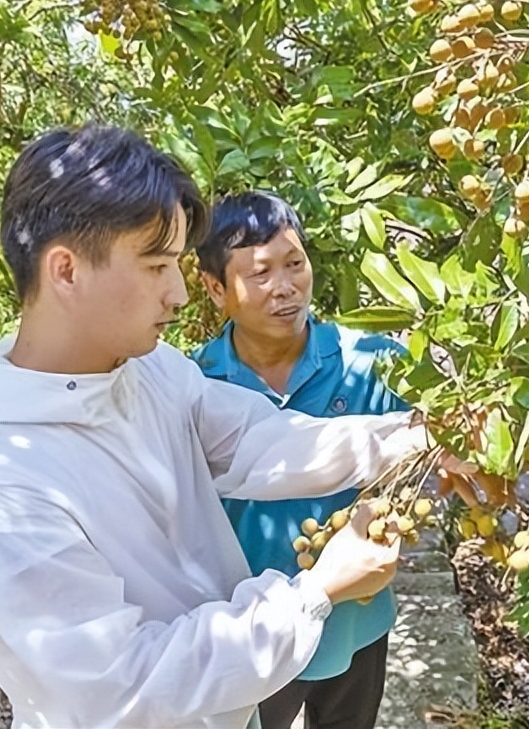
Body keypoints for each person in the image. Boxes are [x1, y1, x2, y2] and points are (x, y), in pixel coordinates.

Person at [0, 125, 468, 729]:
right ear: (66, 271)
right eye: (157, 265)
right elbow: (126, 685)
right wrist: (314, 592)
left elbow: (256, 441)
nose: (180, 293)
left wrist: (421, 438)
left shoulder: (147, 369)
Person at [193, 191, 408, 729]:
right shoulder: (195, 386)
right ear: (215, 287)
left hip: (357, 619)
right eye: (260, 273)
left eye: (295, 264)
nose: (286, 287)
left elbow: (440, 444)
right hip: (253, 629)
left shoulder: (374, 363)